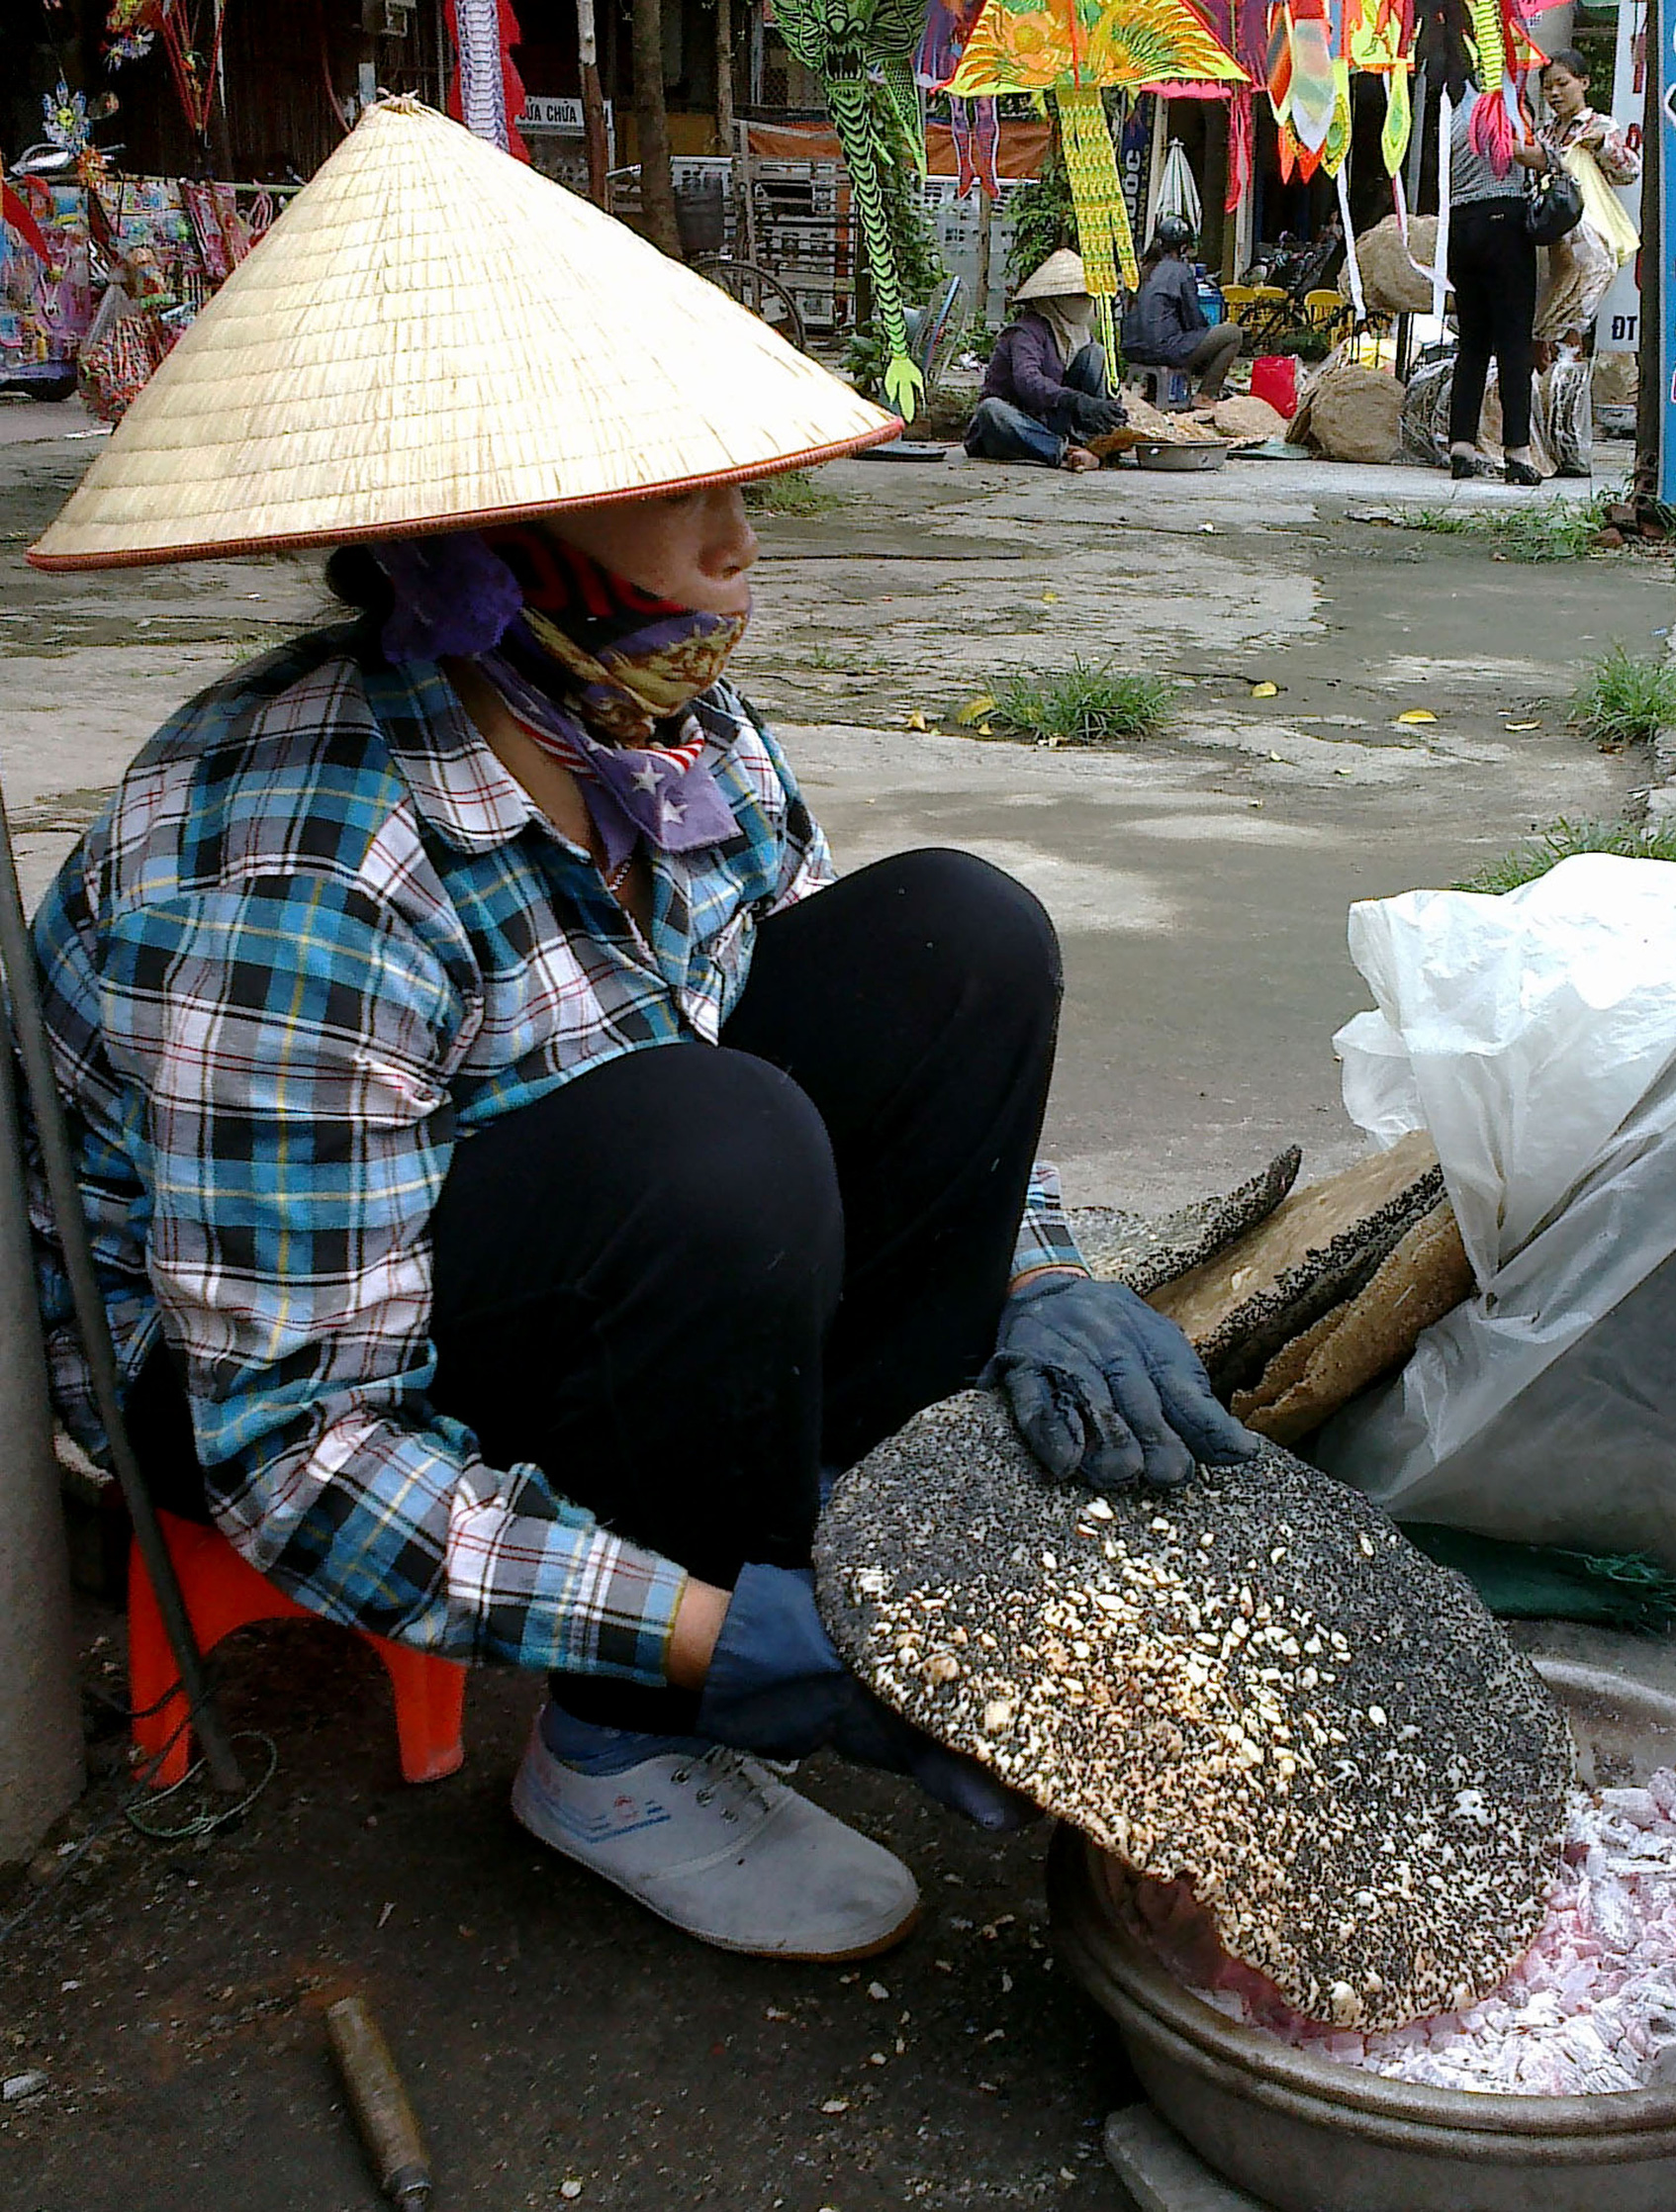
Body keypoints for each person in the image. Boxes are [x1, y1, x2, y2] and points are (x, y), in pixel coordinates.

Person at [25, 101, 1255, 1965]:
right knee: (719, 1144)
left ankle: (831, 1519)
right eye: (668, 492)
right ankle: (618, 1750)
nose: (737, 544)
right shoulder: (300, 860)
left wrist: (1041, 1284)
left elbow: (825, 1031)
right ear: (493, 549)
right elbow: (296, 1442)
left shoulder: (663, 729)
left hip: (588, 1241)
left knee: (958, 939)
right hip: (264, 1389)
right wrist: (708, 1640)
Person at [1443, 79, 1551, 484]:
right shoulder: (1503, 105)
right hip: (1504, 225)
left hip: (1459, 229)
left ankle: (1461, 447)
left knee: (1472, 344)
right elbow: (1531, 156)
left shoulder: (1452, 109)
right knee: (1513, 343)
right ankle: (1518, 453)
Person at [964, 247, 1127, 471]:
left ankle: (1095, 445)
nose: (1084, 302)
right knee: (990, 410)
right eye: (1076, 297)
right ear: (1055, 300)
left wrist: (1105, 409)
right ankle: (1065, 452)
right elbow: (1028, 382)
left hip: (1051, 420)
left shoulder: (1077, 333)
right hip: (1016, 427)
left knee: (1095, 354)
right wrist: (1075, 400)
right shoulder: (1025, 332)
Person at [1534, 47, 1641, 363]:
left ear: (1584, 83)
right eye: (1548, 87)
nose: (1554, 93)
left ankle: (1568, 343)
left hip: (1587, 232)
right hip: (1551, 237)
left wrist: (1602, 146)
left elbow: (1629, 172)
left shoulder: (1601, 127)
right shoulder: (1543, 135)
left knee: (1588, 277)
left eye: (1562, 83)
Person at [1119, 215, 1245, 402]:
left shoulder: (1142, 269)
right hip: (1162, 350)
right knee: (1232, 333)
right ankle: (1205, 396)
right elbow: (1193, 319)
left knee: (1163, 334)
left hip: (1130, 348)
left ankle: (1153, 392)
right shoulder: (1180, 271)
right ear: (1184, 248)